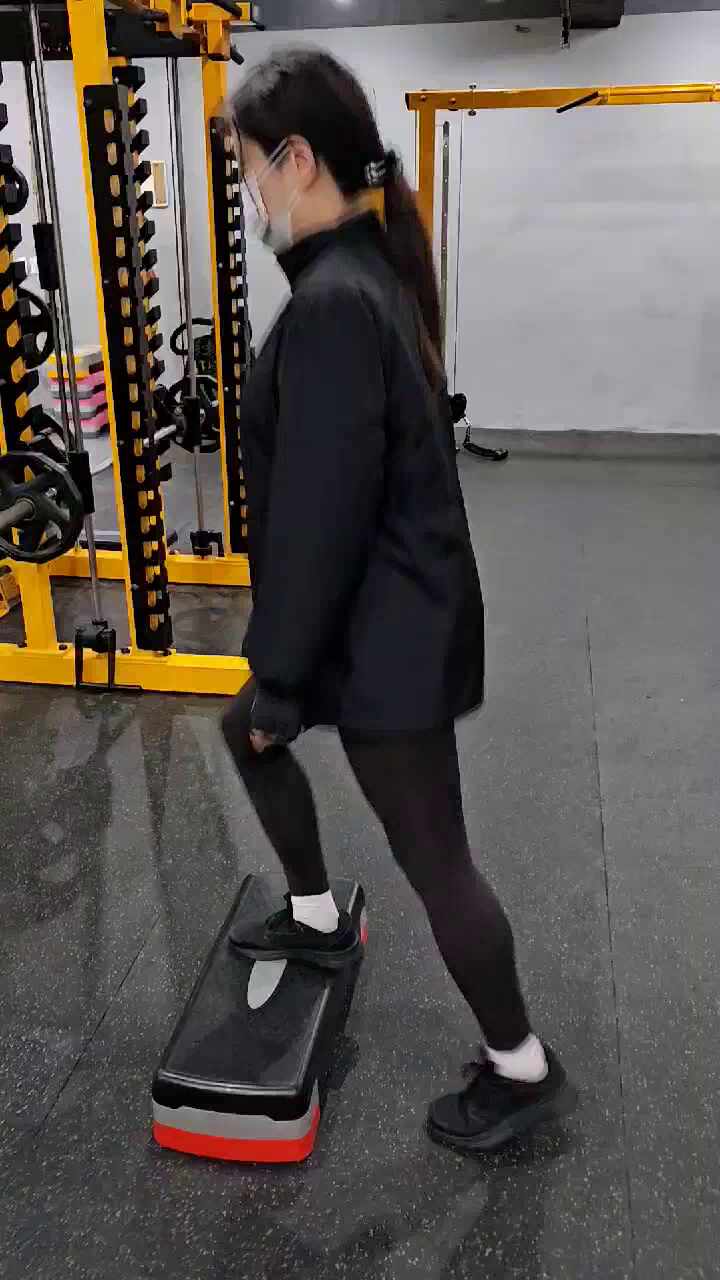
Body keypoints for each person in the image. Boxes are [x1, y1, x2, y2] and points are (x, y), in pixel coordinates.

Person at [221, 48, 577, 1154]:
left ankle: (521, 1066)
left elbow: (321, 514)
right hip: (387, 611)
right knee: (245, 731)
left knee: (435, 856)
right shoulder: (358, 273)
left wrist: (284, 678)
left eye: (249, 168)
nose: (247, 192)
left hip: (390, 636)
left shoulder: (337, 300)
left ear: (296, 159)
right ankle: (316, 913)